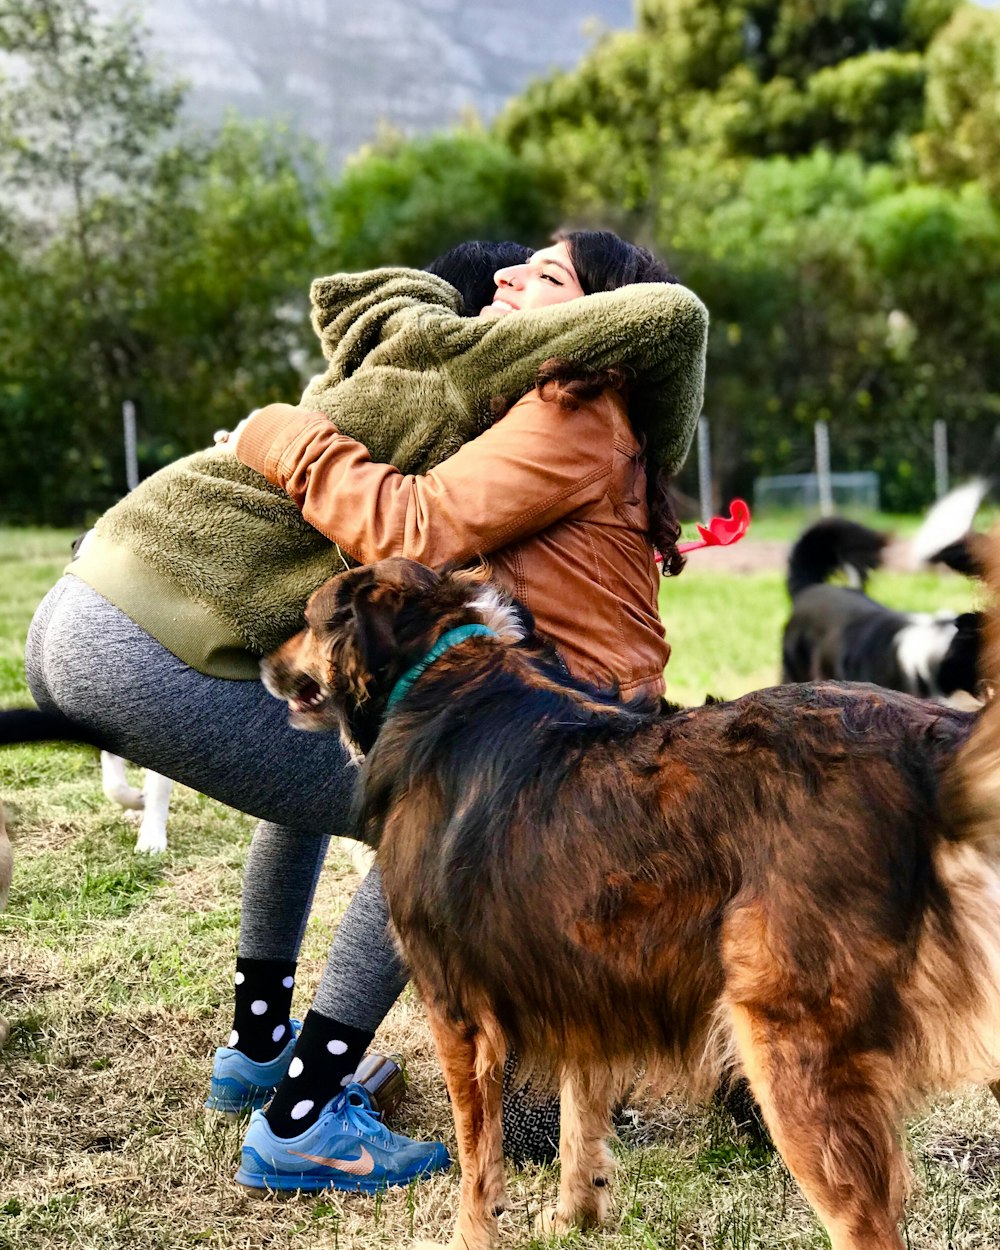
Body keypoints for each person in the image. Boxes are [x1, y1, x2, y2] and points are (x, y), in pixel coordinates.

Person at [23, 231, 708, 1192]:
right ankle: (299, 1120)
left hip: (77, 617)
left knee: (349, 767)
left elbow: (429, 531)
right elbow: (414, 525)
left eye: (546, 273)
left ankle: (260, 1051)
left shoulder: (557, 406)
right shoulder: (538, 402)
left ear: (604, 312)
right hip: (134, 638)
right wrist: (280, 434)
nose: (510, 279)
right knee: (430, 822)